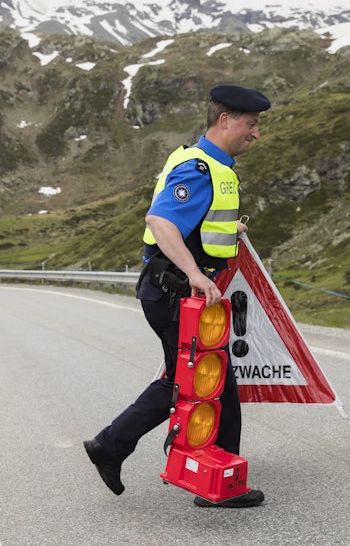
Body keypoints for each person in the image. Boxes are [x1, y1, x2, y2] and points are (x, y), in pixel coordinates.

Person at [84, 84, 270, 509]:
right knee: (212, 383)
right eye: (250, 124)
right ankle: (217, 485)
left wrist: (229, 230)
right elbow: (161, 220)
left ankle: (113, 446)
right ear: (225, 121)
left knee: (188, 381)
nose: (255, 134)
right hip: (176, 293)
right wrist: (194, 274)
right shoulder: (199, 169)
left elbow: (195, 222)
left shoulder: (211, 164)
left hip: (175, 293)